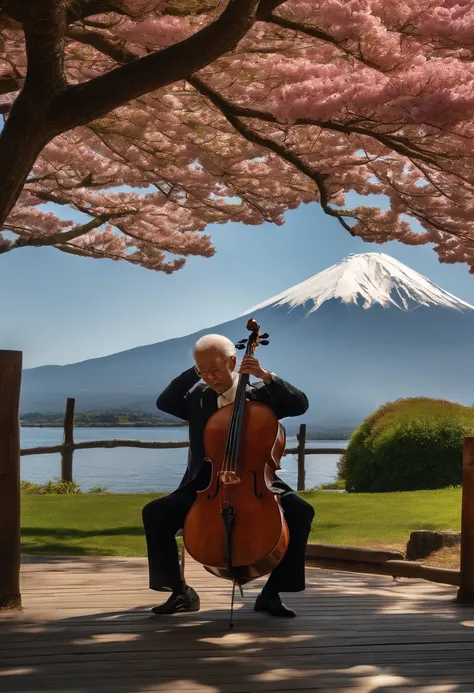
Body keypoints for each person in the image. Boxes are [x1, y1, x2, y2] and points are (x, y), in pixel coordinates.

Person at [142, 333, 315, 618]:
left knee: (300, 511)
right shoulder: (197, 397)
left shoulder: (262, 394)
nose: (209, 377)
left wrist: (265, 374)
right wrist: (196, 370)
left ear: (233, 362)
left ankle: (273, 593)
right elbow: (165, 402)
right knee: (156, 513)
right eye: (203, 371)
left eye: (215, 369)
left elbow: (299, 404)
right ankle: (180, 591)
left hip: (256, 480)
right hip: (205, 484)